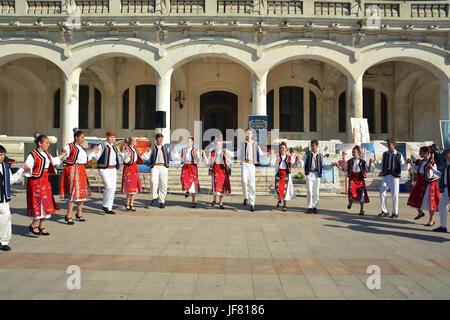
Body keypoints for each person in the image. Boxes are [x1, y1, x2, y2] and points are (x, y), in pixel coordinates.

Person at [25, 133, 67, 236]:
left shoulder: (46, 154)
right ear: (40, 143)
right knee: (37, 204)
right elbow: (28, 166)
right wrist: (28, 169)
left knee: (47, 204)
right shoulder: (32, 155)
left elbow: (54, 161)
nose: (48, 145)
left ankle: (42, 226)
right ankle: (33, 225)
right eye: (46, 143)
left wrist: (62, 155)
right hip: (35, 182)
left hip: (45, 181)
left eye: (48, 143)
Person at [60, 129, 98, 224]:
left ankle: (79, 214)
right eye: (82, 137)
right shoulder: (69, 146)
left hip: (81, 170)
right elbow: (64, 157)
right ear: (76, 137)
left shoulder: (82, 148)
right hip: (73, 169)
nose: (83, 139)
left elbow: (85, 159)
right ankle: (69, 215)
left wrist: (93, 151)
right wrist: (63, 154)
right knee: (73, 193)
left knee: (82, 193)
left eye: (83, 137)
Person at [0, 145, 30, 251]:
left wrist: (21, 169)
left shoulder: (5, 166)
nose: (2, 157)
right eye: (0, 155)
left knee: (6, 217)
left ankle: (3, 242)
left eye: (3, 155)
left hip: (2, 197)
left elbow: (11, 180)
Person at [373, 138, 408, 219]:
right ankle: (384, 211)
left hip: (394, 176)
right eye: (387, 144)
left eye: (389, 144)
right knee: (382, 192)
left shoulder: (399, 154)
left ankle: (395, 212)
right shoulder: (385, 154)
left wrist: (407, 163)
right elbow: (381, 165)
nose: (388, 146)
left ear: (393, 145)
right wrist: (374, 163)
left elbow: (403, 167)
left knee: (395, 194)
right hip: (386, 175)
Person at [406, 146, 440, 226]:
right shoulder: (421, 162)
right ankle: (420, 212)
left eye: (421, 152)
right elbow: (417, 169)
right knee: (414, 197)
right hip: (421, 181)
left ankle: (431, 220)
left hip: (429, 183)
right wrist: (411, 163)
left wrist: (430, 169)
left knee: (430, 202)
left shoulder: (432, 163)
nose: (419, 154)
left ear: (426, 153)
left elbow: (434, 173)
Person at [334, 145, 370, 215]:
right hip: (352, 178)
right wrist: (337, 165)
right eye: (352, 152)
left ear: (359, 153)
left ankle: (361, 210)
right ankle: (350, 202)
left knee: (362, 194)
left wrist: (371, 163)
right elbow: (344, 169)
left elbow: (368, 170)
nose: (353, 153)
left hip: (360, 180)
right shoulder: (349, 162)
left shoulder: (363, 162)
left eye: (354, 152)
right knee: (351, 191)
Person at [299, 140, 334, 214]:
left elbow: (324, 165)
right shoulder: (307, 153)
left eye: (313, 146)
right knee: (309, 191)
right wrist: (299, 161)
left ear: (317, 146)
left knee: (316, 192)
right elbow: (303, 161)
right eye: (311, 145)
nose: (311, 147)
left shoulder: (320, 155)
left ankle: (315, 207)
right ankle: (309, 207)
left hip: (317, 175)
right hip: (309, 174)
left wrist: (332, 165)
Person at [236, 129, 265, 212]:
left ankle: (252, 204)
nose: (249, 134)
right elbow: (237, 153)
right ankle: (246, 196)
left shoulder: (255, 144)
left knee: (252, 184)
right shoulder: (242, 144)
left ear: (252, 135)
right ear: (245, 134)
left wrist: (270, 154)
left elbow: (261, 154)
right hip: (245, 163)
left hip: (252, 164)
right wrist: (227, 153)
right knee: (244, 181)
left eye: (250, 133)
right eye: (247, 133)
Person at [171, 136, 203, 208]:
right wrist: (175, 151)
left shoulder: (195, 150)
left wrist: (200, 154)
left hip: (193, 167)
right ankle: (187, 190)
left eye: (190, 141)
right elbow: (178, 157)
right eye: (188, 141)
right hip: (185, 167)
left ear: (192, 142)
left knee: (194, 184)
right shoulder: (184, 150)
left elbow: (198, 160)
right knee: (183, 179)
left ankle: (193, 201)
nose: (189, 142)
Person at [92, 130, 120, 214]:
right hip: (104, 168)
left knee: (113, 188)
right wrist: (94, 152)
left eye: (113, 137)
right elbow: (96, 157)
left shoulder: (114, 146)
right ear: (106, 137)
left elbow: (117, 157)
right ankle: (105, 204)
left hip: (113, 168)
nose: (112, 139)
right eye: (110, 137)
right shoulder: (102, 145)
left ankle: (109, 207)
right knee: (108, 186)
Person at [121, 137, 151, 211]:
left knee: (134, 187)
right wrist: (126, 155)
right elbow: (125, 159)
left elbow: (139, 157)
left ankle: (131, 204)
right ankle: (127, 203)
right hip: (128, 169)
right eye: (134, 141)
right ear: (131, 142)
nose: (136, 142)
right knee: (129, 187)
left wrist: (146, 153)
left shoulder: (135, 149)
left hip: (134, 168)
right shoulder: (126, 149)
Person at [270, 141, 298, 212]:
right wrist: (272, 156)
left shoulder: (289, 157)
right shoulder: (277, 157)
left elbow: (294, 165)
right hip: (279, 174)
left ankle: (284, 205)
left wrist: (296, 161)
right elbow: (272, 164)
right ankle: (279, 199)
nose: (282, 149)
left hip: (286, 174)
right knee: (278, 188)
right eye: (281, 148)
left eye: (283, 148)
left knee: (286, 190)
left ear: (286, 149)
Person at [206, 139, 233, 209]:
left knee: (221, 187)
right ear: (215, 145)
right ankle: (214, 199)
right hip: (215, 169)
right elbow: (209, 161)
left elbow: (229, 161)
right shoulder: (212, 152)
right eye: (217, 144)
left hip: (222, 170)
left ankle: (221, 203)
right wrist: (209, 165)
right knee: (215, 185)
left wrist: (226, 157)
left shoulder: (224, 152)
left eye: (219, 145)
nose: (218, 146)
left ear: (221, 145)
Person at [149, 133, 171, 209]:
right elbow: (147, 155)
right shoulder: (153, 147)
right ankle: (154, 197)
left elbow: (170, 156)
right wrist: (146, 153)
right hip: (155, 166)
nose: (160, 140)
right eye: (158, 138)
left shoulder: (166, 147)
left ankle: (162, 201)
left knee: (164, 185)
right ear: (156, 139)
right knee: (153, 181)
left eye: (161, 138)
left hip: (163, 167)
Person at [434, 149, 450, 233]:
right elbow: (442, 175)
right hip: (445, 189)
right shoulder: (445, 165)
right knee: (441, 207)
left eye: (447, 154)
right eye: (445, 154)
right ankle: (443, 226)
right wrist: (433, 170)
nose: (446, 155)